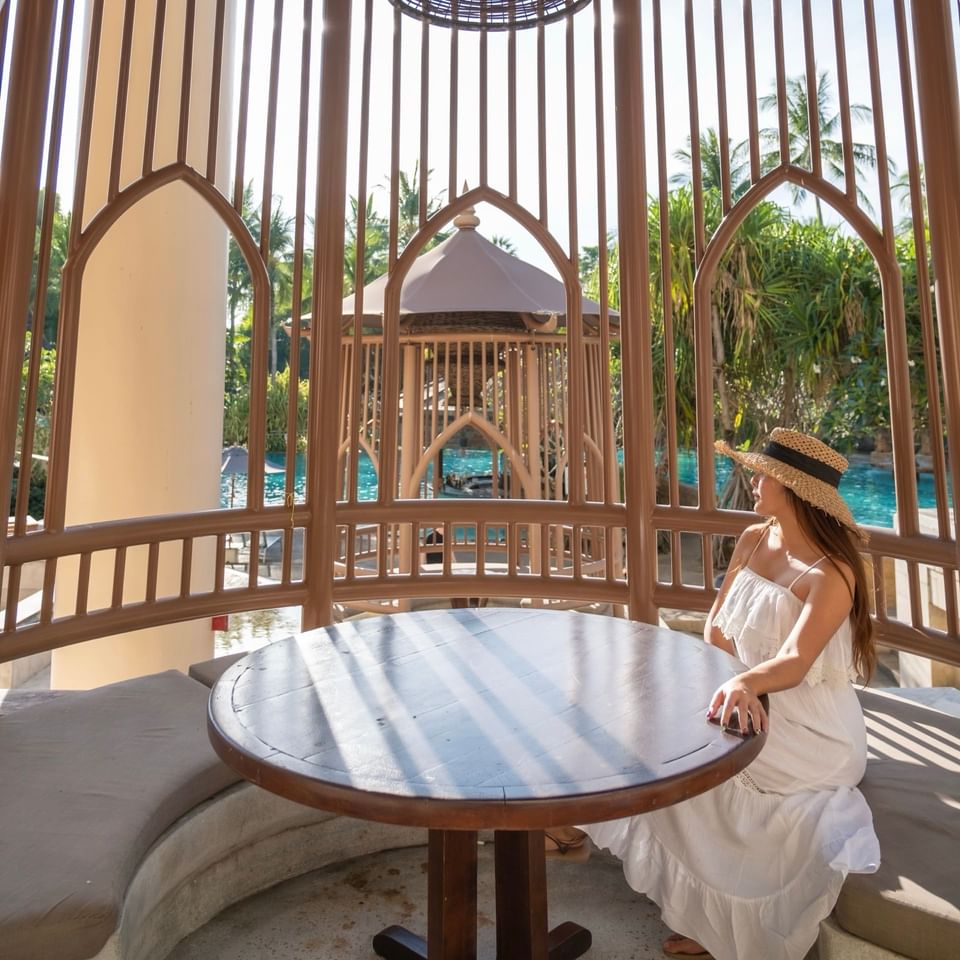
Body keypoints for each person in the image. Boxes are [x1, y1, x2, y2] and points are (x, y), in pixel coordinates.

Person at [547, 428, 881, 960]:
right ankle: (572, 824)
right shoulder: (754, 538)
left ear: (792, 489)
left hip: (809, 730)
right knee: (637, 715)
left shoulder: (833, 572)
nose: (753, 480)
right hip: (740, 692)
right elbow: (717, 628)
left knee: (690, 766)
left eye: (763, 474)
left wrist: (747, 681)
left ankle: (720, 924)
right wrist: (721, 679)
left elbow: (795, 661)